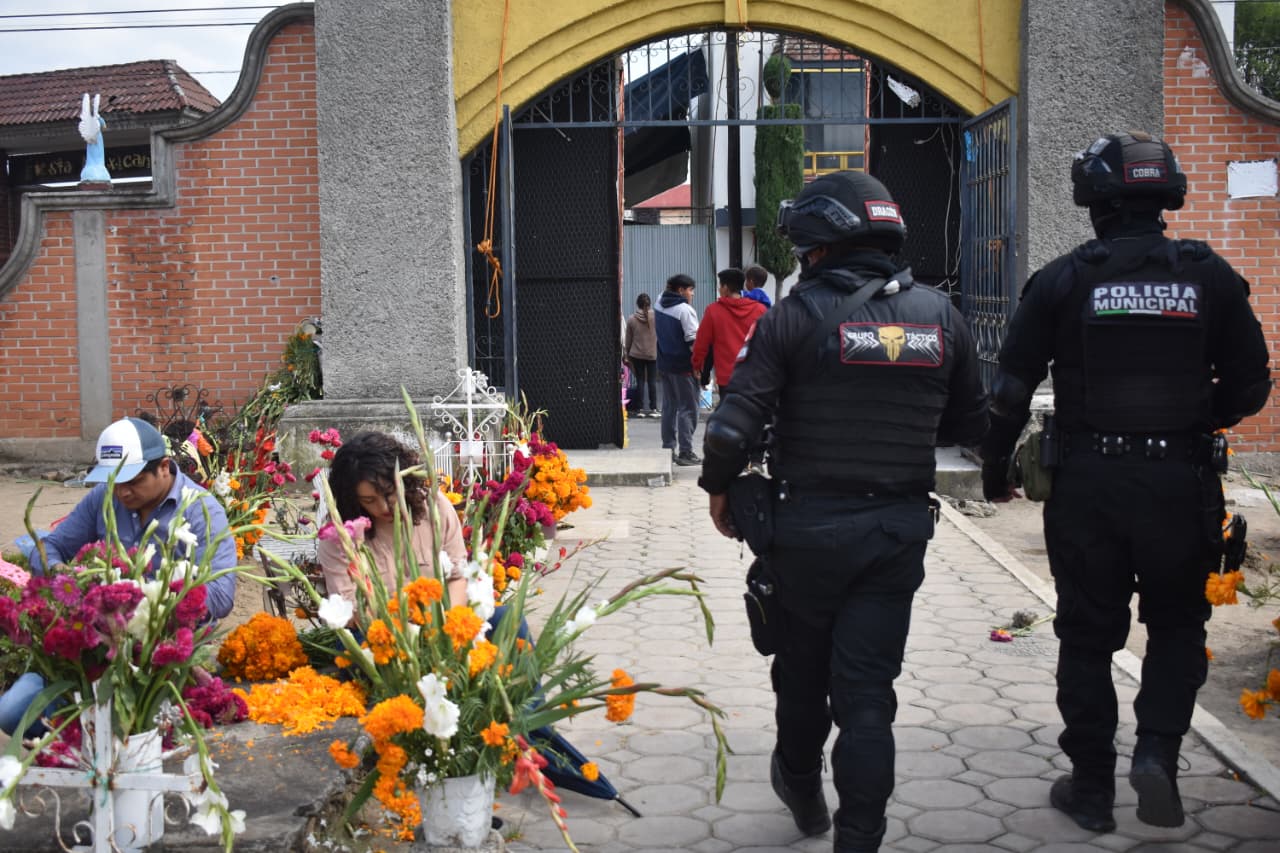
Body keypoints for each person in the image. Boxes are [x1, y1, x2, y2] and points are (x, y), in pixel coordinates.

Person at [980, 131, 1271, 833]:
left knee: (1087, 635)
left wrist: (995, 468)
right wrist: (1204, 418)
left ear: (1094, 200)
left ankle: (1089, 788)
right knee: (1175, 626)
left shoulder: (1062, 279)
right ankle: (1157, 758)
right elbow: (1252, 386)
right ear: (1165, 194)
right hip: (1181, 483)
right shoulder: (1209, 277)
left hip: (1088, 485)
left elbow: (1010, 388)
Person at [699, 171, 988, 852]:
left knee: (800, 677)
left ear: (818, 242)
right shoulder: (942, 317)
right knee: (867, 694)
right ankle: (860, 836)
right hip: (895, 534)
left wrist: (719, 488)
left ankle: (801, 786)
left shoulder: (794, 318)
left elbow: (731, 429)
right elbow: (971, 420)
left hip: (806, 535)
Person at [0, 417, 238, 735]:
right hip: (96, 649)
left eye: (134, 481)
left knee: (139, 731)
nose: (122, 492)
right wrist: (65, 576)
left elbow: (222, 593)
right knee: (12, 712)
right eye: (114, 480)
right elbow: (49, 548)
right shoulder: (104, 497)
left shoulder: (200, 510)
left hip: (163, 660)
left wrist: (148, 603)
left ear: (164, 467)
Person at [317, 431, 468, 607]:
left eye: (389, 493)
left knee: (504, 615)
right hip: (380, 628)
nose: (383, 507)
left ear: (404, 481)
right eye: (369, 500)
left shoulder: (434, 505)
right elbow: (349, 607)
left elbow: (458, 576)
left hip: (441, 619)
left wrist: (447, 625)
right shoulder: (338, 536)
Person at [693, 267, 768, 399]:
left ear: (726, 288)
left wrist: (697, 365)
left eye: (720, 286)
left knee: (729, 417)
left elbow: (702, 343)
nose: (719, 289)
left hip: (727, 378)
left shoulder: (713, 311)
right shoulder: (760, 310)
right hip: (754, 377)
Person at [655, 273, 702, 466]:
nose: (692, 294)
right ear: (681, 290)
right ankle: (686, 451)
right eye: (691, 290)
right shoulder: (684, 310)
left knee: (669, 407)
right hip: (684, 367)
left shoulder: (659, 301)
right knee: (688, 408)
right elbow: (693, 341)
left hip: (665, 364)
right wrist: (699, 365)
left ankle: (668, 448)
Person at [624, 293, 659, 418]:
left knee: (640, 380)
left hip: (636, 354)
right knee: (652, 381)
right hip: (652, 354)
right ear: (649, 304)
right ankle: (654, 408)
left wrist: (627, 353)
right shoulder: (656, 317)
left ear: (637, 304)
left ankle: (639, 409)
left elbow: (628, 340)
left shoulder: (632, 319)